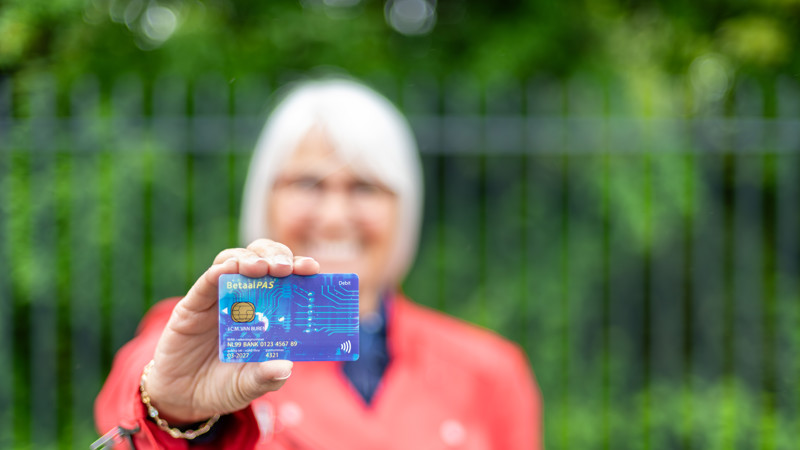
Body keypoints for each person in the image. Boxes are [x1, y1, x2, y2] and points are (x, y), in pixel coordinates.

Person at [94, 77, 542, 449]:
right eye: (308, 184)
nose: (333, 218)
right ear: (265, 198)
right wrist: (171, 409)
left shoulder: (491, 371)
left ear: (403, 208)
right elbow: (136, 387)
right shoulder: (214, 333)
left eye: (365, 187)